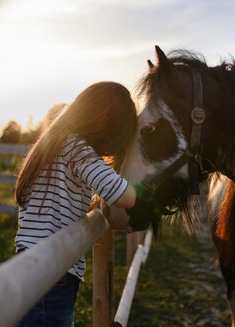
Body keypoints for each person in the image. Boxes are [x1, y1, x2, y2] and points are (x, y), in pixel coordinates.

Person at [14, 81, 140, 327]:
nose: (113, 149)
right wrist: (132, 184)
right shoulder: (77, 148)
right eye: (118, 137)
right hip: (52, 271)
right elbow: (125, 196)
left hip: (29, 264)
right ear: (104, 121)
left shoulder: (52, 144)